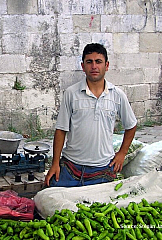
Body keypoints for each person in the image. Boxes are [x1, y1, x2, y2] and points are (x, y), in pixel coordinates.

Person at [44, 43, 137, 187]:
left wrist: (122, 153)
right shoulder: (71, 93)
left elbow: (131, 125)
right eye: (89, 62)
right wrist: (55, 163)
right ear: (83, 66)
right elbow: (61, 130)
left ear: (106, 66)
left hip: (102, 169)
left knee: (99, 207)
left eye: (98, 62)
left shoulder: (117, 95)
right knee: (51, 200)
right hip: (71, 167)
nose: (94, 66)